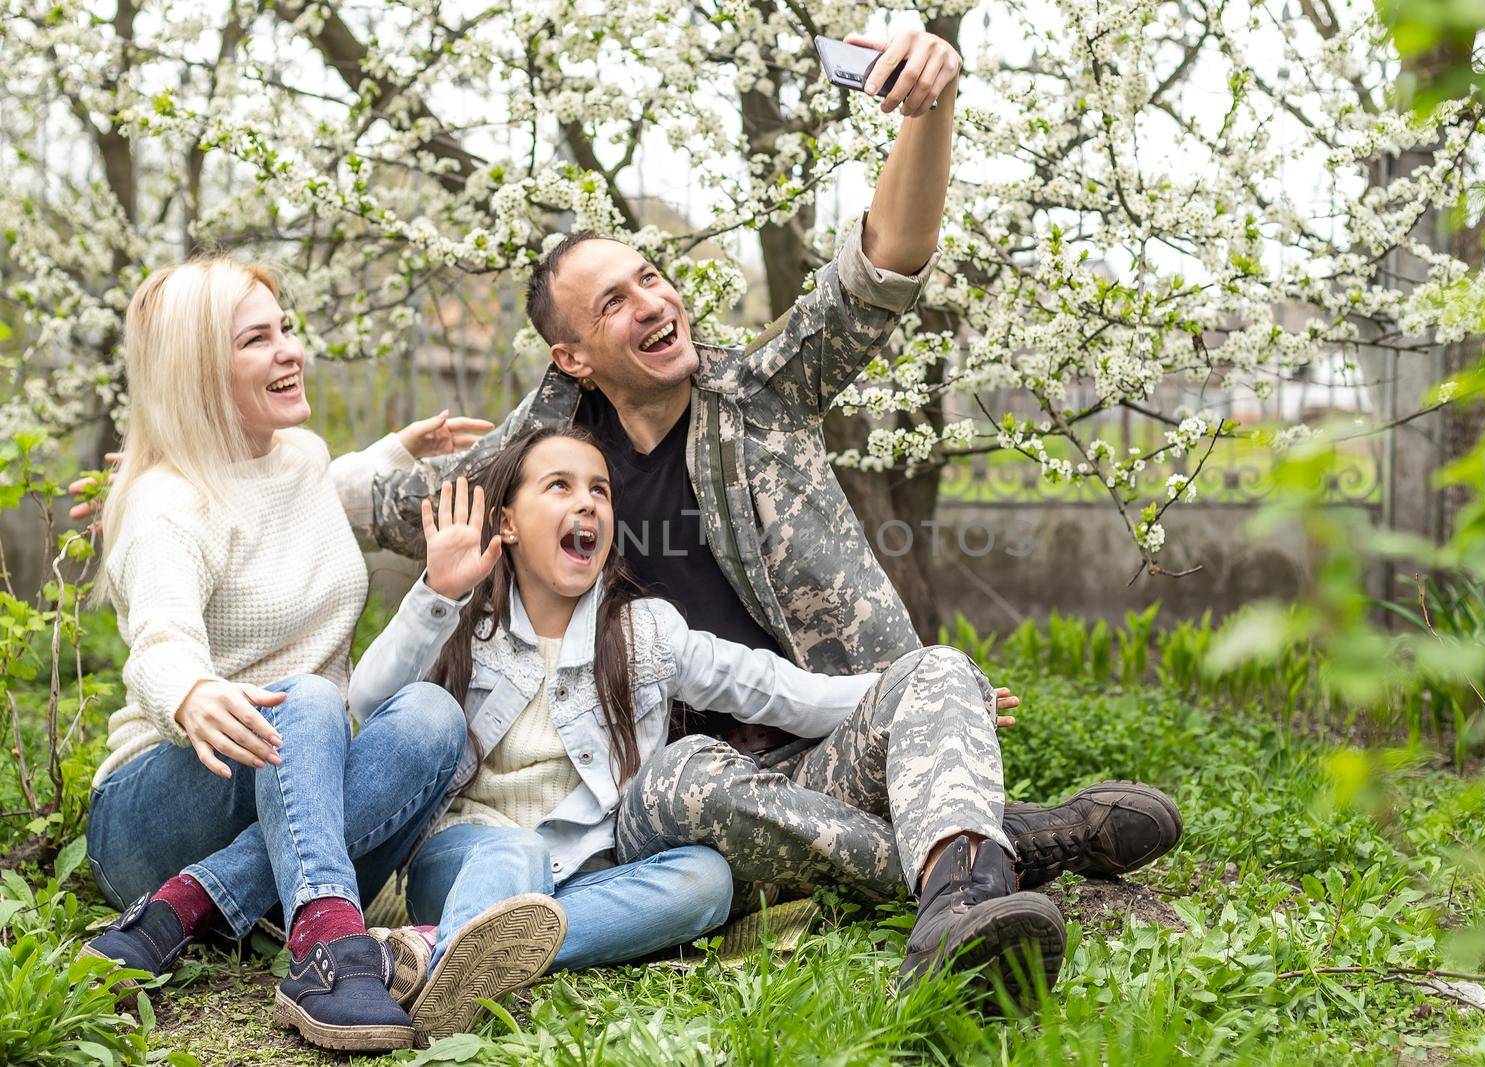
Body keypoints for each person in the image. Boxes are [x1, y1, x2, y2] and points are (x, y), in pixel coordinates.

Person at [367, 24, 1183, 995]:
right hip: (668, 792)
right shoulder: (534, 468)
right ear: (572, 355)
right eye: (613, 302)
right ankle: (1005, 838)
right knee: (685, 773)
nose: (651, 301)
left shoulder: (764, 399)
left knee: (935, 668)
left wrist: (927, 112)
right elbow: (377, 503)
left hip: (821, 750)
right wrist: (217, 463)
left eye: (651, 278)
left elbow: (879, 272)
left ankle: (963, 901)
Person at [353, 425, 1065, 1028]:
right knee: (517, 859)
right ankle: (453, 968)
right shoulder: (464, 627)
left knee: (705, 881)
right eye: (560, 486)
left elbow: (780, 690)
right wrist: (434, 593)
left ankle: (466, 952)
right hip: (472, 857)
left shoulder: (645, 631)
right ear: (505, 522)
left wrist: (913, 697)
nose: (587, 503)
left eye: (599, 489)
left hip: (595, 874)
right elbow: (371, 699)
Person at [77, 257, 494, 1053]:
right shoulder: (167, 506)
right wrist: (191, 690)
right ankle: (330, 948)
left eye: (287, 329)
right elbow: (159, 638)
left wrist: (395, 451)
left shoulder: (296, 455)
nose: (290, 350)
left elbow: (314, 489)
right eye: (257, 339)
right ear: (200, 372)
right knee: (303, 698)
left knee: (434, 717)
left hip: (292, 809)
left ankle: (192, 908)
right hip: (159, 804)